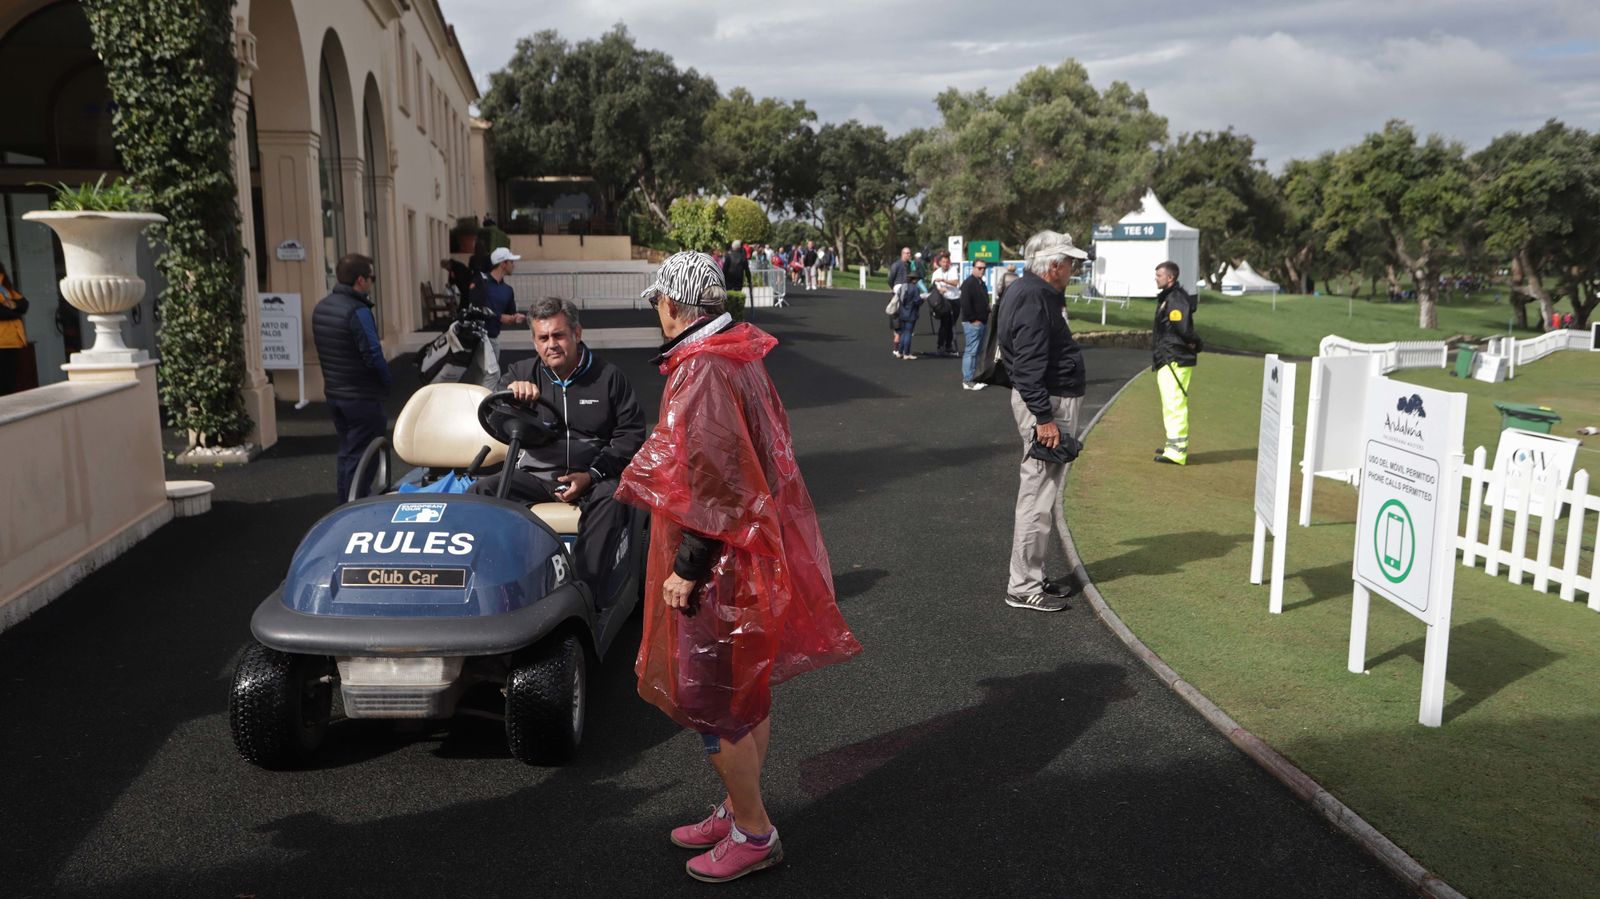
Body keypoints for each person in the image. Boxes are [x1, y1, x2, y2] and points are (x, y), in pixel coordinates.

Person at [616, 251, 860, 883]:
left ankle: (754, 831)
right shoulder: (735, 355)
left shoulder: (702, 371)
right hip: (745, 554)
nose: (656, 313)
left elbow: (716, 483)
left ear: (673, 304)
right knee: (742, 690)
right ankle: (737, 807)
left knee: (712, 700)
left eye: (658, 302)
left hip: (718, 563)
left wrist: (688, 569)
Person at [468, 297, 645, 599]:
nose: (552, 344)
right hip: (537, 478)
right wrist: (511, 396)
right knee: (481, 492)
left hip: (593, 476)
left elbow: (630, 436)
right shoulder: (521, 373)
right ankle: (495, 588)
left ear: (577, 333)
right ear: (535, 342)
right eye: (543, 337)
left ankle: (587, 595)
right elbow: (495, 418)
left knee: (613, 497)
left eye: (559, 335)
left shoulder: (609, 378)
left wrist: (591, 474)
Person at [997, 231, 1088, 612]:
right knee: (1037, 495)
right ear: (1054, 265)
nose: (1073, 269)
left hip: (1044, 400)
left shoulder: (1027, 290)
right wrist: (1045, 418)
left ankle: (1030, 573)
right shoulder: (1035, 297)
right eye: (1069, 262)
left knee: (1040, 492)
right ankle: (1022, 586)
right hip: (1046, 403)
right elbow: (1030, 366)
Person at [312, 254, 390, 503]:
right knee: (364, 453)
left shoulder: (322, 307)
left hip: (335, 393)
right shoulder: (358, 311)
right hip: (361, 396)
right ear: (360, 280)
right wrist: (387, 382)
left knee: (347, 451)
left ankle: (344, 500)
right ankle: (355, 502)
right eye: (371, 278)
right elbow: (373, 354)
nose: (372, 283)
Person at [1152, 261, 1200, 465]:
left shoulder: (1175, 298)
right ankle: (1173, 445)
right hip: (1168, 357)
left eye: (1159, 275)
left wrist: (1195, 344)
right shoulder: (1170, 297)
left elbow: (1183, 329)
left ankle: (1177, 452)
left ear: (1170, 278)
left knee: (1175, 404)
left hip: (1174, 358)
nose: (1156, 278)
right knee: (1170, 404)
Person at [466, 247, 528, 389]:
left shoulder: (507, 290)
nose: (514, 265)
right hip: (478, 338)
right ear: (503, 263)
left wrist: (515, 318)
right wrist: (500, 317)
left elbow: (510, 314)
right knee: (492, 375)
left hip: (493, 339)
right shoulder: (481, 282)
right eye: (511, 261)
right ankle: (485, 406)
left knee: (482, 377)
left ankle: (477, 407)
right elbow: (474, 308)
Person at [958, 260, 991, 390]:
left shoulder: (981, 283)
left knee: (977, 352)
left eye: (984, 268)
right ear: (973, 268)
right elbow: (965, 304)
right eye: (979, 268)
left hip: (982, 322)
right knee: (971, 351)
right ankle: (967, 380)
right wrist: (973, 319)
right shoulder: (968, 283)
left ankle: (974, 378)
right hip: (973, 323)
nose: (982, 270)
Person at [0, 262, 29, 396]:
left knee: (10, 381)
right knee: (4, 383)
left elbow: (24, 304)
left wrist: (11, 305)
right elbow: (4, 313)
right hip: (2, 341)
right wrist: (15, 310)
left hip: (13, 340)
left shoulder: (6, 288)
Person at [929, 253, 961, 356]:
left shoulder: (953, 270)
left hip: (954, 299)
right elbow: (933, 286)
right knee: (944, 323)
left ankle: (948, 345)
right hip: (944, 301)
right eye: (943, 262)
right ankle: (941, 345)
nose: (945, 264)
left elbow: (956, 283)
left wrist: (944, 280)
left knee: (952, 324)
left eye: (947, 262)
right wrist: (939, 289)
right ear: (939, 263)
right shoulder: (936, 273)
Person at [886, 247, 915, 352]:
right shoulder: (896, 265)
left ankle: (901, 348)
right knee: (897, 320)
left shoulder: (909, 265)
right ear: (902, 254)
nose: (908, 255)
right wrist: (893, 288)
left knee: (905, 319)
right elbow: (890, 279)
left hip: (907, 294)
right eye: (906, 253)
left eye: (909, 253)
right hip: (898, 292)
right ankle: (896, 348)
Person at [893, 277, 924, 360]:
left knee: (903, 333)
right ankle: (906, 353)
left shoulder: (902, 286)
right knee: (908, 333)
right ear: (914, 280)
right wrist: (922, 299)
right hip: (911, 313)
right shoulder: (915, 289)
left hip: (902, 313)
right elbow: (917, 301)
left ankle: (900, 352)